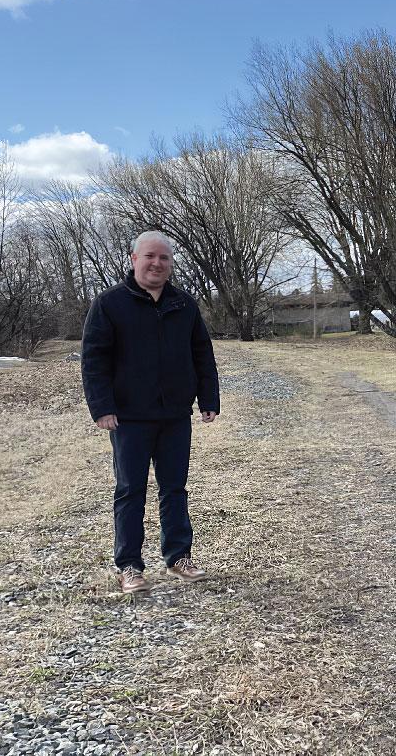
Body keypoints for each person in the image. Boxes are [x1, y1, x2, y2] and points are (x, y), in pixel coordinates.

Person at [81, 231, 220, 593]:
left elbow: (202, 354)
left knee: (174, 488)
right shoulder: (110, 304)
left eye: (165, 258)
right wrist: (102, 407)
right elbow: (94, 360)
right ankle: (129, 565)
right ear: (134, 259)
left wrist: (208, 399)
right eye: (150, 257)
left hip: (175, 415)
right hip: (128, 417)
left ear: (171, 264)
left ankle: (178, 557)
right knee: (131, 489)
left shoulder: (184, 305)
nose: (157, 264)